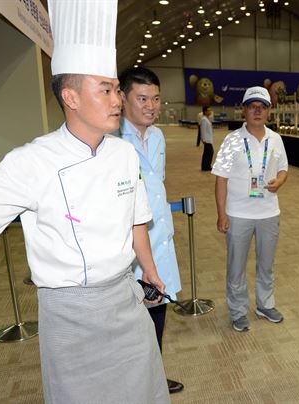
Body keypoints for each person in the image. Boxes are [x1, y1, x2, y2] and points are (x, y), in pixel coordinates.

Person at [0, 1, 170, 403]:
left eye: (116, 89)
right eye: (106, 89)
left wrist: (149, 271)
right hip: (69, 313)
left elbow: (136, 218)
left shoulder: (123, 154)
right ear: (71, 97)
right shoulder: (31, 161)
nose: (118, 99)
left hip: (125, 301)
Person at [117, 66, 184, 395]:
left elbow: (156, 187)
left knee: (158, 312)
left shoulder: (157, 136)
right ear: (123, 98)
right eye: (142, 98)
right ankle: (132, 387)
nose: (151, 105)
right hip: (129, 249)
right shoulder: (113, 140)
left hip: (160, 240)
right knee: (130, 323)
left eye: (156, 98)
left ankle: (154, 377)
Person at [212, 86, 289, 332]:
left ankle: (265, 304)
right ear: (244, 110)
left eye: (263, 107)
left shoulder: (275, 139)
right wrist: (222, 214)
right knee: (236, 266)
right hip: (238, 214)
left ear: (269, 111)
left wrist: (280, 180)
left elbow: (284, 168)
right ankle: (237, 310)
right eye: (252, 106)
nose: (257, 111)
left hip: (269, 213)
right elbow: (221, 178)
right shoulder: (232, 140)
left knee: (266, 264)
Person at [200, 106, 214, 171]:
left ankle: (206, 166)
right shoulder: (204, 119)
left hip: (208, 139)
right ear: (205, 112)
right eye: (208, 110)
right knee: (209, 152)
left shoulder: (206, 119)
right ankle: (206, 166)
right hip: (207, 139)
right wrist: (203, 139)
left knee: (207, 153)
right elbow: (202, 130)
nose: (210, 112)